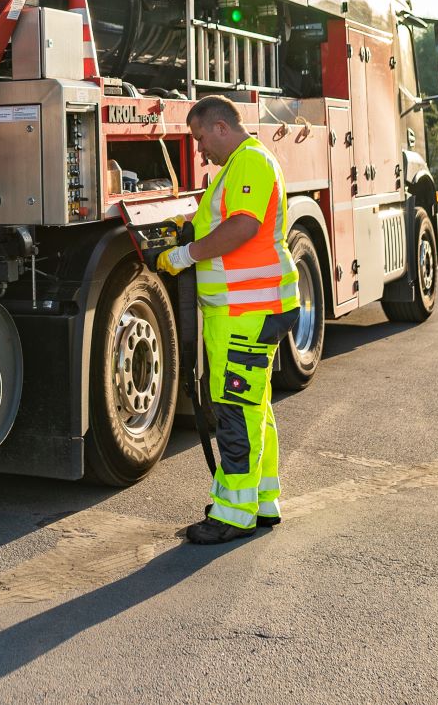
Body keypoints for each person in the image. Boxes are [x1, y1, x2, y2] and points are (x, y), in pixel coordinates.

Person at [157, 94, 300, 545]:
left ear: (221, 127)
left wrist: (185, 254)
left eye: (200, 139)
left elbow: (243, 228)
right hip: (242, 311)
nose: (200, 151)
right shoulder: (238, 167)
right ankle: (260, 500)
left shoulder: (250, 163)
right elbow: (224, 223)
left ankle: (233, 515)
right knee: (253, 407)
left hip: (248, 312)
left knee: (235, 412)